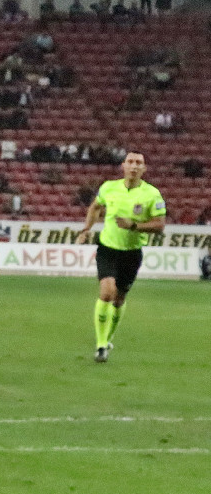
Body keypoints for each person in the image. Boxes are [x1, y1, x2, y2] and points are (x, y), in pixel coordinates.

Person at [74, 152, 165, 362]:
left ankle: (108, 338)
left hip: (132, 253)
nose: (134, 166)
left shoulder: (152, 194)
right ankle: (100, 345)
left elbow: (159, 225)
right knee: (107, 293)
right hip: (107, 248)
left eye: (139, 163)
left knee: (119, 299)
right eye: (130, 162)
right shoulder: (108, 187)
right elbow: (95, 207)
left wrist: (134, 225)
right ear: (123, 166)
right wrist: (87, 228)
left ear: (144, 169)